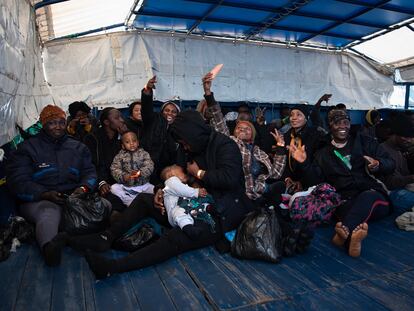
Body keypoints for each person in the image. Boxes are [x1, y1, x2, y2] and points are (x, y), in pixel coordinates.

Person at [67, 110, 254, 279]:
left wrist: (199, 173)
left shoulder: (225, 146)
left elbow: (230, 178)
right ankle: (106, 238)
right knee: (144, 200)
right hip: (187, 202)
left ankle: (113, 267)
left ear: (193, 134)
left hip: (219, 212)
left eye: (184, 142)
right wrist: (159, 191)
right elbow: (173, 172)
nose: (184, 146)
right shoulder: (190, 148)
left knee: (177, 237)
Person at [289, 109, 395, 257]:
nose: (342, 126)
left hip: (373, 196)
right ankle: (350, 239)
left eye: (346, 122)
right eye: (337, 123)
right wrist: (304, 163)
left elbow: (391, 163)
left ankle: (343, 233)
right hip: (344, 200)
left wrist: (378, 164)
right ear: (330, 126)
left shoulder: (364, 141)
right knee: (344, 210)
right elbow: (316, 182)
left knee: (367, 197)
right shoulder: (322, 153)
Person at [6, 105, 97, 266]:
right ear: (43, 124)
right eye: (52, 123)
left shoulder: (77, 146)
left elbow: (89, 172)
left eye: (61, 122)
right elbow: (18, 181)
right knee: (49, 212)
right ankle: (49, 250)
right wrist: (44, 194)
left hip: (72, 197)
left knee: (103, 206)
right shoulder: (27, 148)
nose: (58, 127)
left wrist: (82, 188)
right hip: (40, 200)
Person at [202, 72, 286, 205]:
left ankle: (267, 192)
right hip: (239, 195)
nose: (242, 129)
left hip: (258, 196)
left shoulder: (259, 152)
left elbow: (275, 174)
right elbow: (218, 119)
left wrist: (281, 148)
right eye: (239, 128)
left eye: (247, 128)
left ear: (252, 135)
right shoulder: (229, 141)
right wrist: (208, 94)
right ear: (233, 132)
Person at [83, 107, 128, 213]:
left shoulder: (123, 137)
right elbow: (91, 166)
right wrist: (101, 182)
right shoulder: (92, 138)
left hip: (123, 179)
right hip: (102, 182)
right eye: (117, 118)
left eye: (121, 117)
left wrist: (126, 136)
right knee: (116, 204)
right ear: (106, 122)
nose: (122, 120)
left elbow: (135, 157)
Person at [140, 76, 181, 184]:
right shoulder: (153, 121)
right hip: (147, 165)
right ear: (162, 112)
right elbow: (146, 108)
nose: (170, 113)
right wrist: (147, 91)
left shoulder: (179, 129)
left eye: (173, 112)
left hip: (166, 170)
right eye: (167, 110)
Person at [161, 165, 211, 239]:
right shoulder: (170, 182)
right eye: (182, 172)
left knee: (196, 204)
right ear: (171, 174)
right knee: (179, 212)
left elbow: (185, 191)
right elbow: (182, 190)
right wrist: (196, 192)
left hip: (187, 206)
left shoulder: (181, 184)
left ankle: (209, 208)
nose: (185, 174)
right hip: (175, 210)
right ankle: (188, 228)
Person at [380, 113, 414, 213]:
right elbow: (390, 183)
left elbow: (405, 173)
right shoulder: (382, 151)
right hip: (391, 193)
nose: (409, 140)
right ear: (395, 135)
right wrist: (412, 178)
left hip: (404, 188)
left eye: (411, 138)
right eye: (406, 137)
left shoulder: (400, 149)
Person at [110, 131, 154, 207]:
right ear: (123, 146)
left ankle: (141, 200)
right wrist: (123, 176)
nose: (131, 143)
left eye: (134, 141)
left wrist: (140, 173)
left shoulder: (143, 154)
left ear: (138, 142)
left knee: (154, 189)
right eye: (127, 142)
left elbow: (150, 165)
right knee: (113, 188)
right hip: (127, 187)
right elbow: (114, 168)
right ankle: (130, 201)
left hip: (143, 185)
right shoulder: (120, 156)